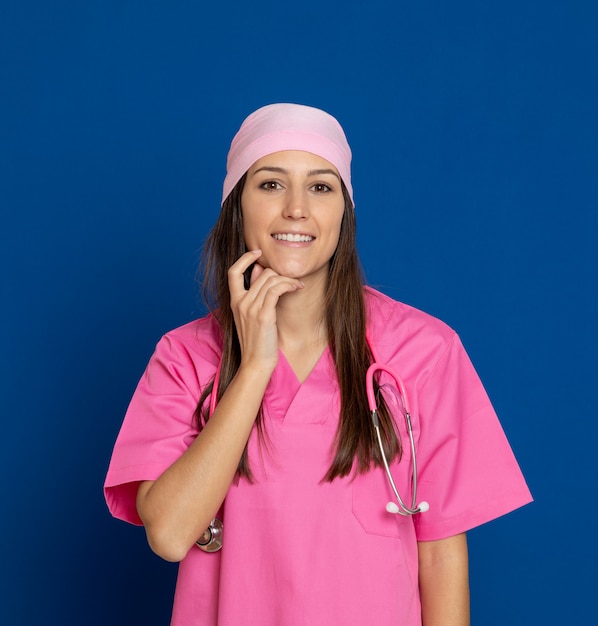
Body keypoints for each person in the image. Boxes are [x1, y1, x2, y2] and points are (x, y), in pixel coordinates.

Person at [104, 103, 532, 626]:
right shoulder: (185, 357)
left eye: (321, 187)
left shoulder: (424, 351)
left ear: (345, 213)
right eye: (270, 184)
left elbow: (442, 553)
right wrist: (255, 367)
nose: (297, 209)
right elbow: (169, 535)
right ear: (236, 206)